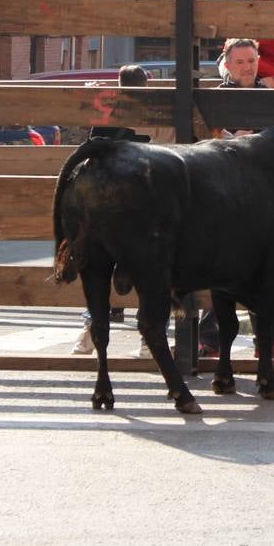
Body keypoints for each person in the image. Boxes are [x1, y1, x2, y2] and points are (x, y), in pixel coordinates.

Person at [194, 37, 274, 360]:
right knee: (221, 270)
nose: (248, 67)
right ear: (227, 63)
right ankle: (209, 339)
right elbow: (202, 135)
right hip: (222, 196)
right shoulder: (216, 99)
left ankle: (267, 341)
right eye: (240, 62)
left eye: (251, 61)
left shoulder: (267, 98)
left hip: (260, 198)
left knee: (264, 272)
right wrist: (231, 139)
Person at [73, 63, 154, 355]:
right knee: (149, 269)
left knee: (98, 267)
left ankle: (87, 333)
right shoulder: (151, 111)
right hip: (136, 198)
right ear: (146, 84)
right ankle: (148, 340)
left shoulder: (104, 109)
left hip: (103, 198)